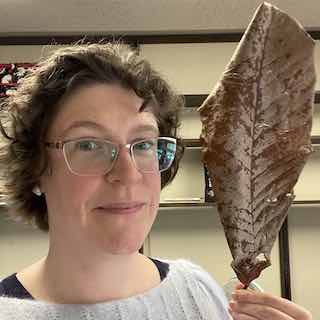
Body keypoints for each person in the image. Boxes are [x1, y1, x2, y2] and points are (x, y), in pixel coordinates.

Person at [0, 42, 312, 320]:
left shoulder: (198, 294)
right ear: (35, 168)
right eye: (89, 145)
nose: (128, 173)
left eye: (144, 144)